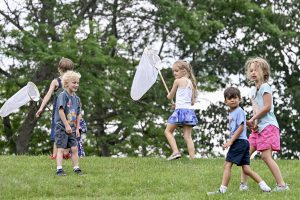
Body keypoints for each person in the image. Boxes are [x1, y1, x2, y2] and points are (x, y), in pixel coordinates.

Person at [207, 87, 271, 195]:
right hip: (242, 142)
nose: (233, 100)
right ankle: (264, 186)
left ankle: (222, 190)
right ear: (225, 101)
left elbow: (241, 127)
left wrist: (231, 141)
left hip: (239, 142)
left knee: (227, 165)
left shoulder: (239, 111)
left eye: (235, 98)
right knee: (246, 169)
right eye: (230, 98)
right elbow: (239, 125)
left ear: (240, 99)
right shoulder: (232, 113)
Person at [240, 57, 289, 192]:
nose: (253, 72)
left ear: (265, 72)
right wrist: (253, 124)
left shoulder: (265, 87)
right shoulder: (252, 92)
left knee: (265, 156)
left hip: (269, 126)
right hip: (259, 128)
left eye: (256, 70)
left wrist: (253, 118)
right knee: (244, 154)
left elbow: (267, 107)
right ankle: (243, 185)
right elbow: (256, 109)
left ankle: (282, 185)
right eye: (251, 70)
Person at [35, 58, 74, 160]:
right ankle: (65, 153)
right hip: (68, 110)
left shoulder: (56, 82)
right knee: (68, 129)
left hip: (59, 111)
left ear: (58, 69)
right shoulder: (72, 82)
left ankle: (56, 155)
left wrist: (41, 108)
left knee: (58, 131)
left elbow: (48, 95)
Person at [165, 60, 198, 160]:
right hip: (188, 112)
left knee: (168, 131)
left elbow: (170, 96)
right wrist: (177, 104)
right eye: (173, 71)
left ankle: (175, 152)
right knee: (187, 136)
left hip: (180, 112)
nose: (174, 73)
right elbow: (191, 102)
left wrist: (169, 96)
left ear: (184, 71)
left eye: (176, 71)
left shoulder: (177, 81)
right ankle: (193, 158)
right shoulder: (191, 83)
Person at [55, 70, 83, 176]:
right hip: (62, 127)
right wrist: (66, 125)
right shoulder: (63, 96)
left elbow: (78, 113)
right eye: (74, 82)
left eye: (77, 83)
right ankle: (59, 169)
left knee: (74, 148)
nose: (76, 85)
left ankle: (76, 168)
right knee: (61, 148)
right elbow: (61, 111)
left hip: (72, 127)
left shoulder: (77, 99)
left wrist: (77, 128)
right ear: (66, 83)